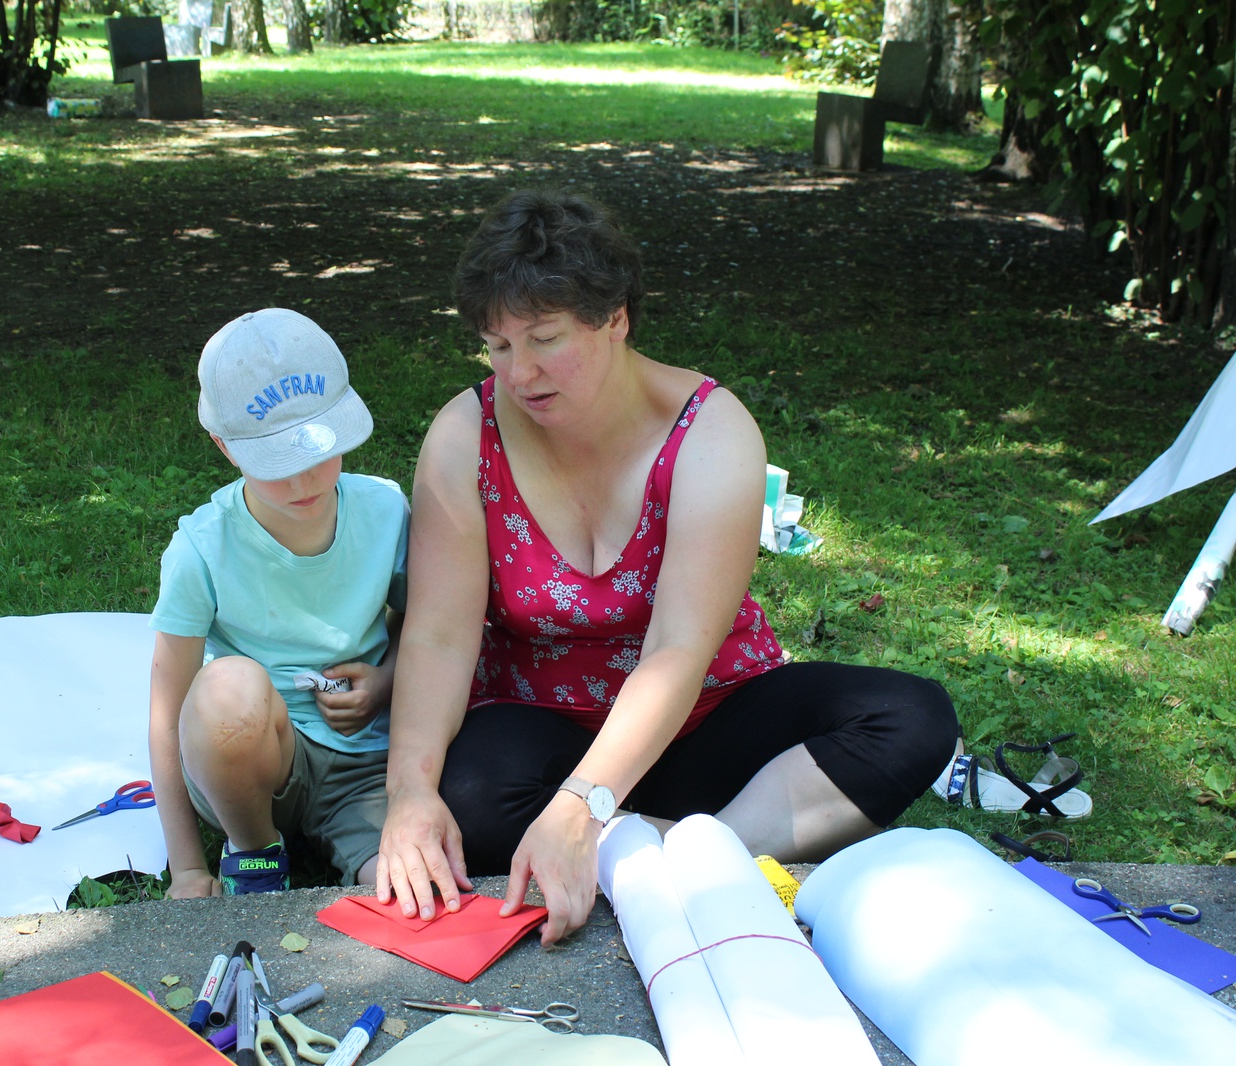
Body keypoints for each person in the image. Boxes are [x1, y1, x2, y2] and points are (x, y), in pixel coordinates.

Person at [375, 190, 959, 944]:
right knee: (471, 797)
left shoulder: (710, 429)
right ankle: (685, 847)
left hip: (706, 721)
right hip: (545, 730)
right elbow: (437, 636)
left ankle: (685, 851)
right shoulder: (466, 435)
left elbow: (679, 649)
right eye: (500, 346)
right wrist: (410, 793)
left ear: (616, 318)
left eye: (545, 338)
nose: (520, 372)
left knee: (911, 718)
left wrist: (583, 807)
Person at [147, 308, 409, 897]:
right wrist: (187, 867)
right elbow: (168, 711)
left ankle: (358, 848)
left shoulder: (386, 511)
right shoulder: (201, 548)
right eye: (277, 463)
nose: (304, 480)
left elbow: (429, 622)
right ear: (224, 447)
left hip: (367, 767)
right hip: (251, 765)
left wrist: (386, 680)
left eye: (319, 450)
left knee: (405, 890)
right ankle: (256, 855)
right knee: (227, 688)